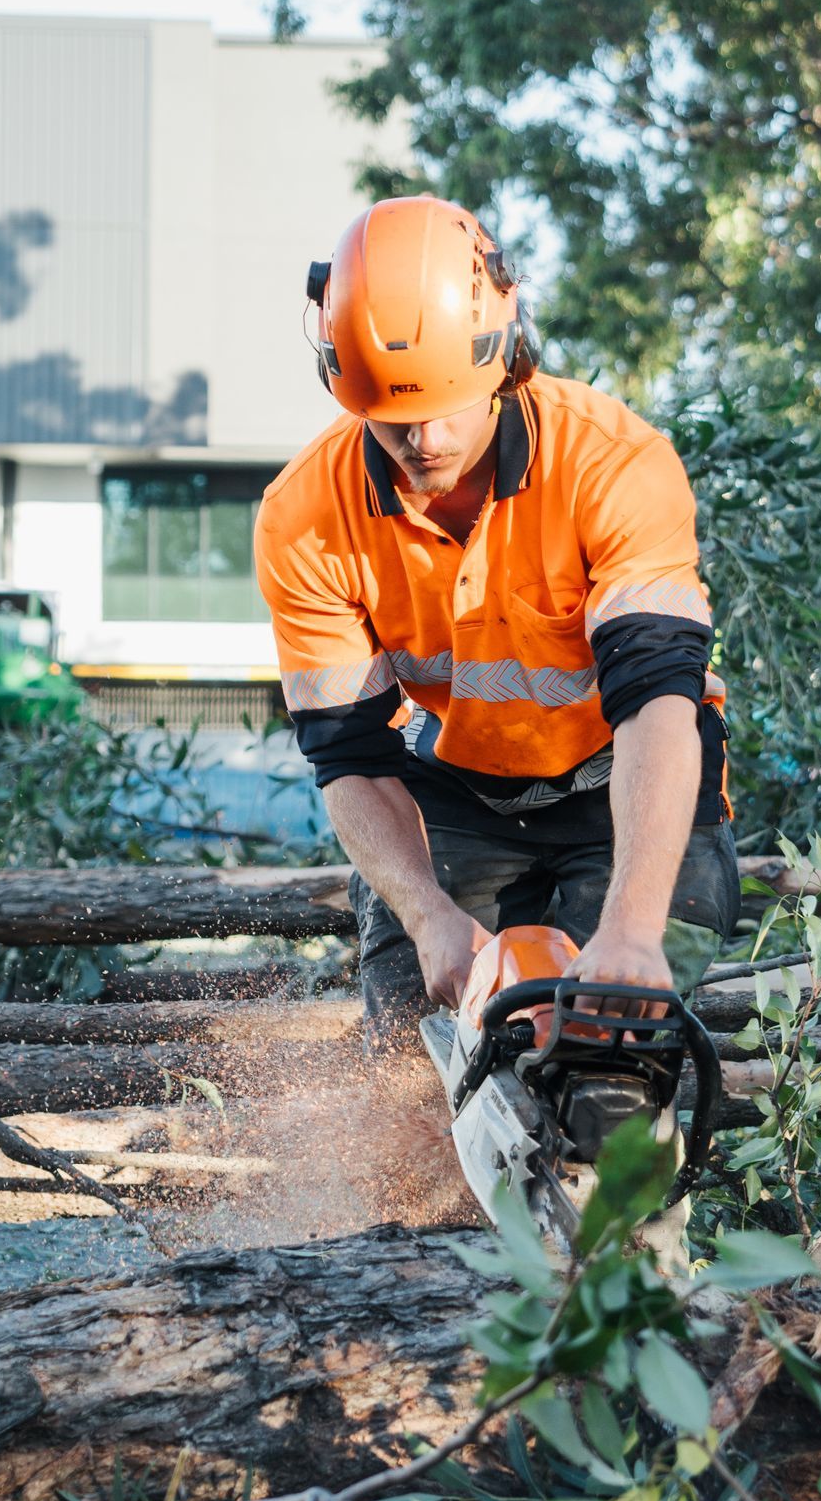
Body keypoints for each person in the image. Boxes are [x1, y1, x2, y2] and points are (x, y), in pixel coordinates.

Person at [254, 194, 739, 1038]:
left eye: (448, 404)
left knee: (619, 1049)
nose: (425, 439)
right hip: (456, 788)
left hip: (621, 772)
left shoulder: (613, 463)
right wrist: (428, 915)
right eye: (395, 418)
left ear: (504, 355)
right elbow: (352, 758)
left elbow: (659, 702)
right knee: (417, 1034)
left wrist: (629, 929)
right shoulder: (305, 516)